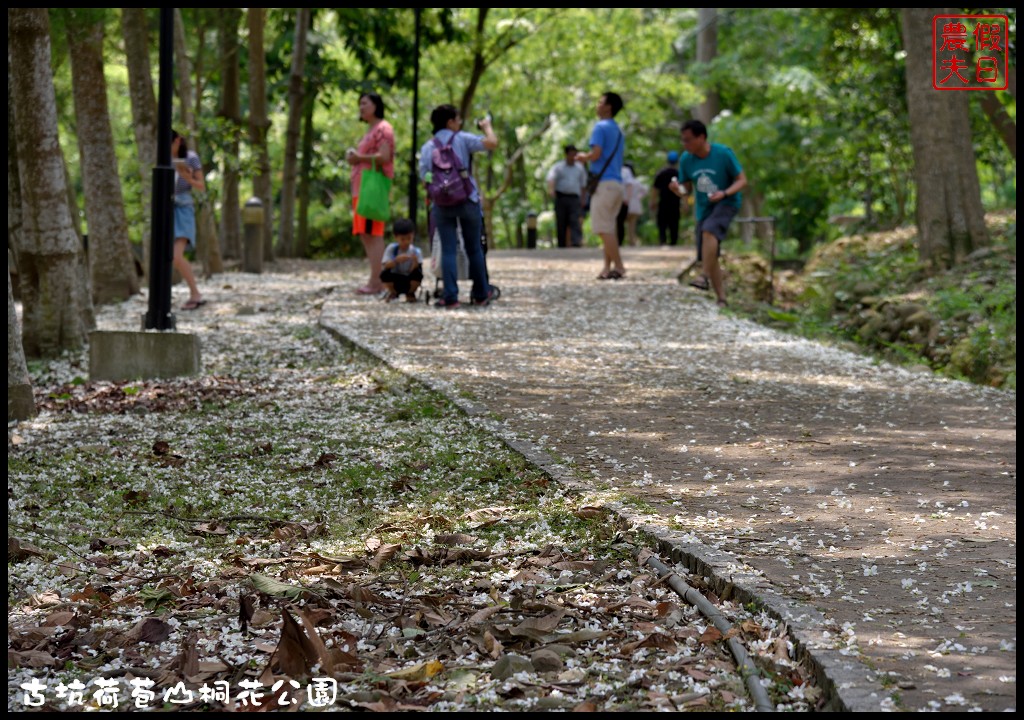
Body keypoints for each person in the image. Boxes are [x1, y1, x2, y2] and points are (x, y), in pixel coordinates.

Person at [419, 104, 496, 308]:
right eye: (458, 119)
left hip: (442, 204)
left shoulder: (428, 147)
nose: (460, 123)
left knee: (449, 250)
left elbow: (424, 176)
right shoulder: (463, 138)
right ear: (450, 121)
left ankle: (451, 296)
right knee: (474, 248)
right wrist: (487, 126)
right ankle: (480, 294)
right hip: (467, 199)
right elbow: (492, 143)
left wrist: (437, 188)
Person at [669, 119, 747, 307]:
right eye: (683, 140)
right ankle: (722, 298)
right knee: (709, 251)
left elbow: (742, 180)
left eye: (688, 140)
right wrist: (676, 190)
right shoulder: (686, 159)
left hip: (727, 202)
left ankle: (703, 276)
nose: (684, 144)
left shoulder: (723, 154)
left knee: (709, 231)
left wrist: (725, 193)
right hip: (704, 207)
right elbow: (686, 189)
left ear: (701, 137)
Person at [346, 92, 395, 295]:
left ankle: (378, 282)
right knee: (366, 234)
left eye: (365, 103)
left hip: (371, 189)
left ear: (376, 105)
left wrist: (358, 157)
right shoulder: (371, 129)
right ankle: (375, 279)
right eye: (360, 104)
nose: (361, 107)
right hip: (362, 188)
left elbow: (384, 156)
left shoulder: (383, 128)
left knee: (373, 233)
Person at [576, 92, 626, 280]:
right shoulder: (618, 130)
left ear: (608, 107)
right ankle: (607, 267)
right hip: (616, 184)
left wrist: (583, 157)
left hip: (604, 184)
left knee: (602, 229)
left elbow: (596, 154)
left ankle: (619, 267)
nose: (597, 105)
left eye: (600, 102)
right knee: (609, 228)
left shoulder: (600, 127)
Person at [171, 130, 205, 311]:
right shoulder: (164, 158)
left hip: (184, 207)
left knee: (177, 256)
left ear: (177, 141)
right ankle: (193, 293)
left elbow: (201, 186)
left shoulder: (191, 157)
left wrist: (186, 177)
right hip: (167, 209)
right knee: (168, 256)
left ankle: (195, 293)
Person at [546, 144, 587, 248]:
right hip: (561, 196)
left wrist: (583, 199)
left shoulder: (580, 168)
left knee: (574, 220)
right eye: (571, 154)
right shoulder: (558, 167)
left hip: (574, 197)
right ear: (566, 155)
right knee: (561, 221)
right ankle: (562, 244)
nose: (573, 157)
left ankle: (576, 242)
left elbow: (583, 185)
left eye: (574, 154)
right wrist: (551, 190)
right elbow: (551, 178)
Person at [380, 217, 423, 303]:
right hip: (395, 276)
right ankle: (393, 292)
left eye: (409, 238)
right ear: (396, 237)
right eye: (403, 239)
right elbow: (385, 265)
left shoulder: (415, 251)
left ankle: (410, 293)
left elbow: (416, 270)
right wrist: (396, 261)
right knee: (384, 274)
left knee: (418, 273)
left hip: (408, 277)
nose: (406, 242)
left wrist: (414, 262)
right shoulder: (392, 249)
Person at [651, 150, 682, 246]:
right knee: (674, 223)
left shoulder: (661, 173)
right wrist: (685, 203)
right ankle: (673, 242)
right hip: (675, 203)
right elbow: (684, 189)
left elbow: (655, 189)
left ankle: (663, 241)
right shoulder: (679, 173)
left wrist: (653, 201)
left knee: (662, 223)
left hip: (663, 202)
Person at [615, 161, 636, 247]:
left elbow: (629, 185)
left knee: (620, 222)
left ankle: (619, 242)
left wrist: (627, 198)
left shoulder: (626, 171)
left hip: (622, 200)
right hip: (610, 200)